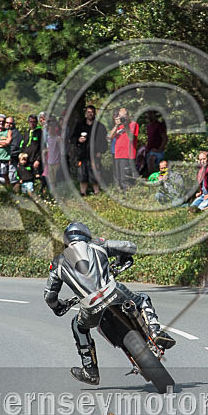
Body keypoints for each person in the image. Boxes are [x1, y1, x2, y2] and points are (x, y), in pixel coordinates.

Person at [43, 222, 175, 385]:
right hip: (115, 293)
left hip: (89, 307)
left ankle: (90, 370)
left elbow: (49, 296)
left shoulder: (57, 263)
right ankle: (155, 331)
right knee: (143, 299)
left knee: (78, 326)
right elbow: (129, 246)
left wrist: (59, 306)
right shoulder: (97, 245)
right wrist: (121, 258)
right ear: (86, 235)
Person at [70, 105, 107, 196]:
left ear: (95, 113)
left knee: (95, 174)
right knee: (82, 174)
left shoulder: (100, 126)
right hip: (82, 155)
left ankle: (97, 192)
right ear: (86, 113)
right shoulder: (79, 125)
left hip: (94, 154)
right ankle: (83, 192)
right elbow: (72, 138)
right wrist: (78, 140)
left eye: (92, 112)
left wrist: (100, 152)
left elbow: (104, 141)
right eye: (89, 112)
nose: (91, 114)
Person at [110, 108, 139, 190]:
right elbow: (110, 137)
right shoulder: (119, 126)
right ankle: (121, 195)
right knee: (118, 178)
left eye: (124, 116)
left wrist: (126, 126)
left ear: (128, 116)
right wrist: (116, 125)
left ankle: (129, 195)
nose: (122, 118)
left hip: (127, 155)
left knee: (126, 179)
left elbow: (131, 138)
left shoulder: (133, 124)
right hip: (118, 154)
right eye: (120, 116)